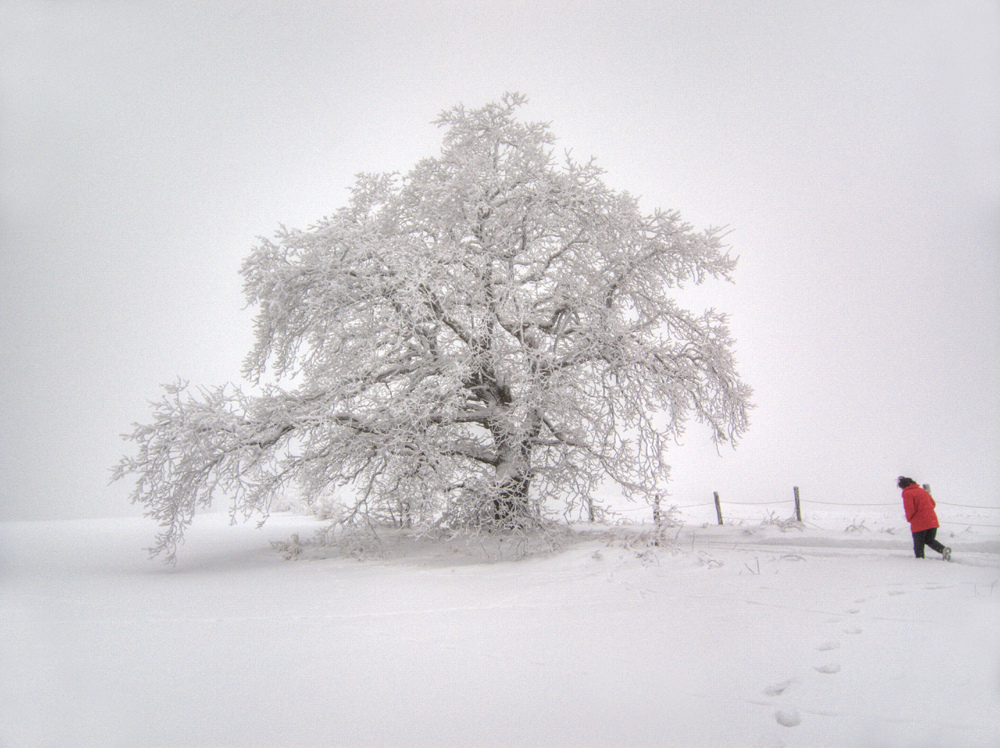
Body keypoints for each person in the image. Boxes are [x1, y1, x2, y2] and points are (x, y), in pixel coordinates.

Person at [897, 476, 951, 560]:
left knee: (918, 545)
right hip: (932, 520)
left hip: (919, 522)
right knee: (929, 540)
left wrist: (910, 519)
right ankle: (943, 549)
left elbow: (909, 509)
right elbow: (933, 504)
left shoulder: (907, 493)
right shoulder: (922, 491)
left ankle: (920, 562)